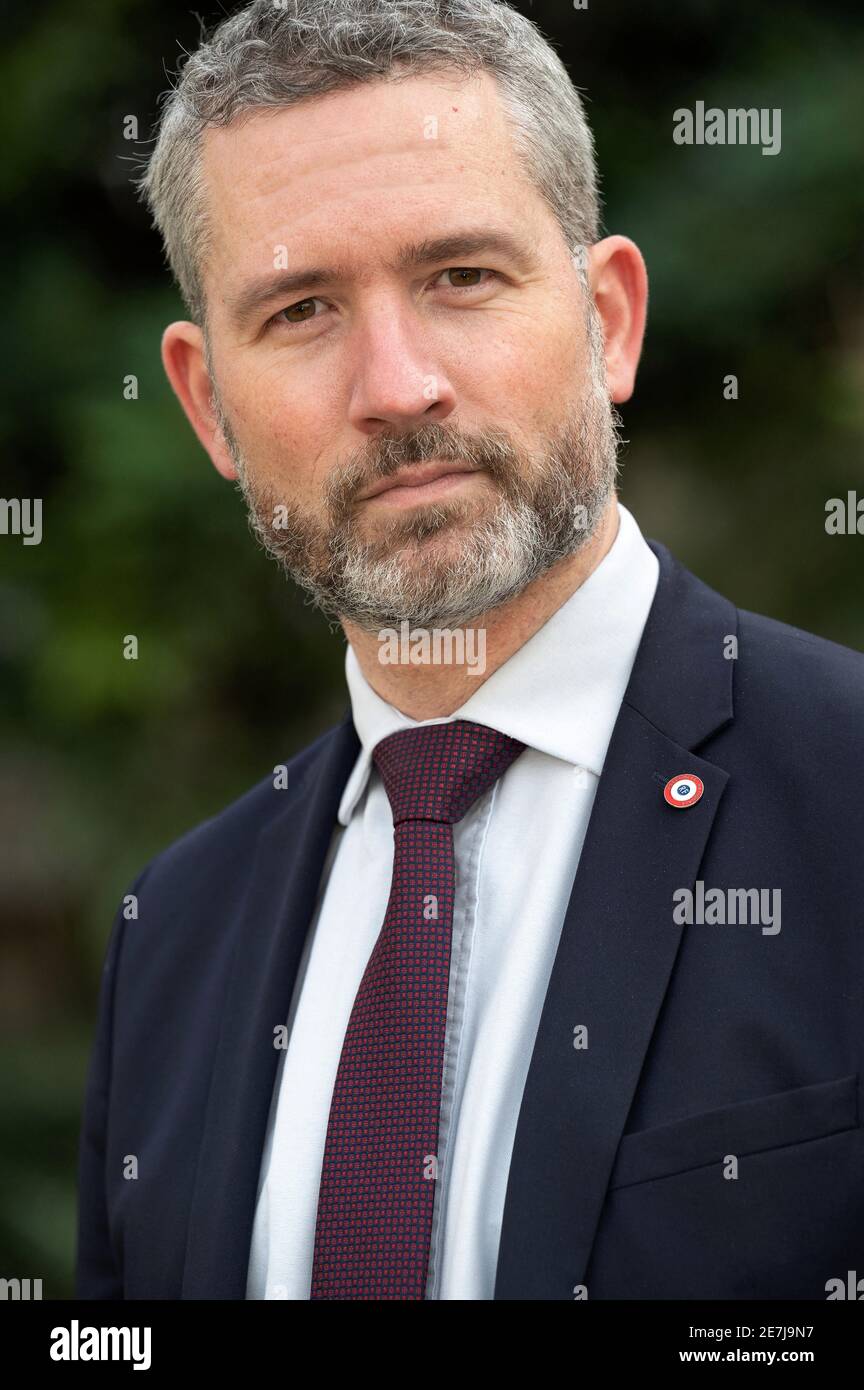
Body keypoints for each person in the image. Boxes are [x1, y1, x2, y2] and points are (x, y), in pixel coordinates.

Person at [76, 0, 864, 1301]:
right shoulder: (173, 932)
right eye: (301, 309)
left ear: (609, 317)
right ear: (209, 405)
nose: (396, 384)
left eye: (460, 278)